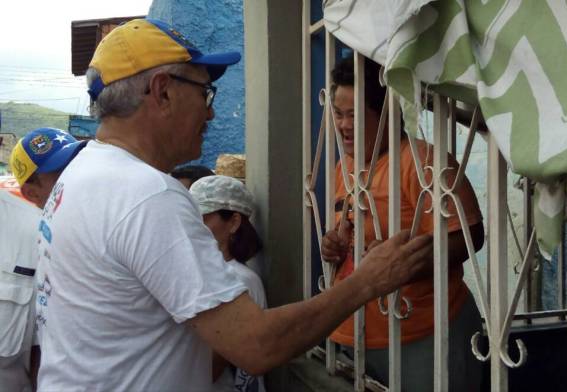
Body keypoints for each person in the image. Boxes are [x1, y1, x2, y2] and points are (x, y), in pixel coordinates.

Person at [34, 18, 432, 391]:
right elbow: (255, 345)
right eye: (205, 92)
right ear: (162, 91)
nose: (210, 111)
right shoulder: (146, 195)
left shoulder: (82, 172)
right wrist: (368, 281)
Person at [321, 56, 485, 391]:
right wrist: (335, 245)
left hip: (424, 333)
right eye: (337, 114)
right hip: (356, 338)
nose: (343, 125)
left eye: (353, 114)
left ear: (384, 112)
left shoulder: (421, 161)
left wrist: (405, 260)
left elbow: (469, 235)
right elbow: (351, 234)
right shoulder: (344, 168)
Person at [0, 128, 84, 391]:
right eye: (61, 174)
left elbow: (47, 346)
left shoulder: (39, 232)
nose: (75, 179)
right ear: (31, 192)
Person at [190, 175, 267, 392]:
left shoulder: (239, 279)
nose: (193, 225)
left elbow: (214, 366)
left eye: (202, 217)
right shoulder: (207, 272)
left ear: (233, 222)